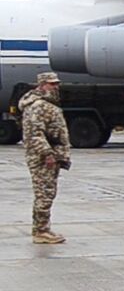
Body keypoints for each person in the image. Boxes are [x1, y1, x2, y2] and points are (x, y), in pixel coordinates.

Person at [21, 72, 70, 244]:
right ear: (41, 85)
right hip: (43, 158)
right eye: (51, 84)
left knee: (47, 192)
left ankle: (42, 228)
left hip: (51, 155)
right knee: (45, 193)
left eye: (56, 83)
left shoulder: (48, 104)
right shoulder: (38, 106)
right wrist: (47, 154)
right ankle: (41, 231)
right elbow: (35, 134)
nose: (55, 86)